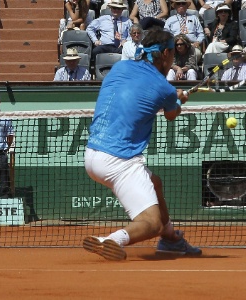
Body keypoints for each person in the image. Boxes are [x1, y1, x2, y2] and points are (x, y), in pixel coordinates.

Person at [83, 27, 201, 261]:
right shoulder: (164, 87)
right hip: (119, 160)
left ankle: (171, 240)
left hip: (91, 155)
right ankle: (112, 240)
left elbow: (138, 94)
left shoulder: (120, 67)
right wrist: (179, 99)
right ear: (166, 54)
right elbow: (170, 114)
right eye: (172, 54)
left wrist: (171, 97)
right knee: (151, 222)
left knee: (154, 183)